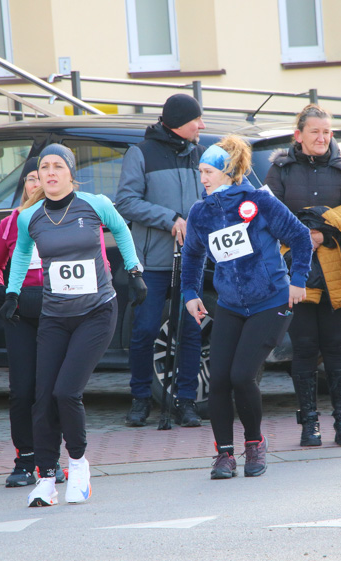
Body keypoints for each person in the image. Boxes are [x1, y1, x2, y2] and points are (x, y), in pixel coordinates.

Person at [3, 144, 146, 507]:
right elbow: (21, 253)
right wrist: (12, 292)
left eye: (57, 166)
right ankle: (47, 478)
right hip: (54, 315)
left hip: (96, 312)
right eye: (44, 167)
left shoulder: (95, 204)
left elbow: (123, 231)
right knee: (42, 398)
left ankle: (79, 465)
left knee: (67, 392)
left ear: (70, 172)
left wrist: (134, 271)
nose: (50, 173)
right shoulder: (29, 217)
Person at [181, 136, 312, 479]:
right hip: (230, 305)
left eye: (209, 171)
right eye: (200, 172)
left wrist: (298, 280)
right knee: (219, 380)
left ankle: (254, 443)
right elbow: (193, 255)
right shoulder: (201, 212)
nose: (203, 178)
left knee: (242, 375)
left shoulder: (258, 202)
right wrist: (190, 293)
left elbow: (299, 236)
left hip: (271, 301)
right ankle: (224, 454)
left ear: (227, 172)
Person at [264, 104, 341, 448]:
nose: (321, 138)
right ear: (299, 136)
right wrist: (297, 236)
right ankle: (309, 424)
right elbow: (269, 212)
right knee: (304, 347)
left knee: (336, 347)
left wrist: (322, 235)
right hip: (296, 271)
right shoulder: (280, 169)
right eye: (314, 132)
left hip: (336, 269)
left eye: (326, 132)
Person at [116, 94, 206, 428]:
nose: (202, 124)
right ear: (180, 121)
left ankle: (185, 402)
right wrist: (170, 219)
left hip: (191, 262)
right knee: (145, 330)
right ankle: (140, 398)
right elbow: (125, 201)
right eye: (197, 118)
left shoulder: (201, 154)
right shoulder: (141, 153)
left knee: (191, 332)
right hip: (152, 262)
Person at [0, 157, 66, 488]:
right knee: (22, 390)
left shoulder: (66, 219)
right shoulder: (11, 222)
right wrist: (1, 292)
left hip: (57, 311)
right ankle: (24, 459)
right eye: (31, 178)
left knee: (51, 390)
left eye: (44, 176)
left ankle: (52, 459)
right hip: (18, 312)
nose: (37, 182)